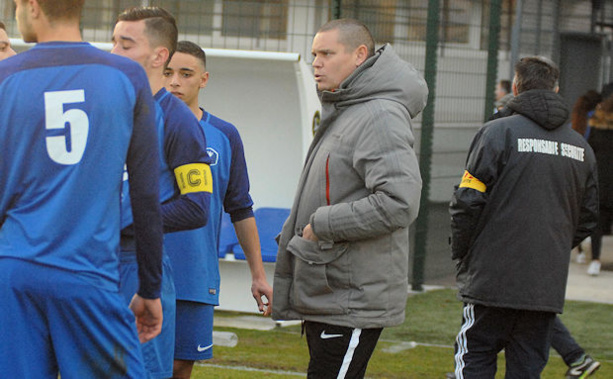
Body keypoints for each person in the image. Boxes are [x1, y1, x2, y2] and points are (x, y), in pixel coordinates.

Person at [0, 0, 164, 377]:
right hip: (88, 275)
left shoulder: (5, 76)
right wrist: (150, 287)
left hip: (15, 273)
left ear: (33, 6)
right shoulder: (126, 75)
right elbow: (144, 194)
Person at [272, 18, 427, 378]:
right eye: (314, 54)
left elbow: (399, 202)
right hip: (331, 292)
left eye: (327, 53)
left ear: (360, 55)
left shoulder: (379, 115)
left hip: (350, 296)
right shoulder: (348, 110)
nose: (316, 62)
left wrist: (320, 225)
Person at [449, 56, 599, 378]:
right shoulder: (581, 148)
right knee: (527, 368)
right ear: (556, 89)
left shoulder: (496, 133)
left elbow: (467, 201)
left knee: (474, 357)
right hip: (544, 286)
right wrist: (552, 247)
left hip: (492, 279)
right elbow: (587, 218)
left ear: (515, 88)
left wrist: (463, 253)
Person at [111, 7, 212, 379]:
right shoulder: (108, 108)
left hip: (138, 268)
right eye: (113, 42)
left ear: (158, 56)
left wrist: (127, 222)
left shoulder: (177, 120)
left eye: (125, 44)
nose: (113, 53)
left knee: (142, 371)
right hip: (91, 264)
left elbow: (196, 207)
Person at [163, 40, 274, 378]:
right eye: (168, 73)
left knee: (180, 367)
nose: (175, 82)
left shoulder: (224, 135)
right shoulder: (137, 126)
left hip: (195, 274)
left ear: (204, 79)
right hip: (141, 269)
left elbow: (240, 207)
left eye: (186, 74)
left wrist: (258, 275)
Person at [585, 94, 613, 276]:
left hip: (601, 181)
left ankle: (595, 260)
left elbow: (589, 154)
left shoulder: (595, 127)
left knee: (598, 223)